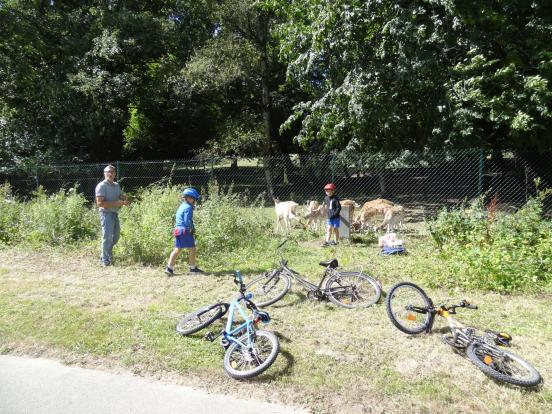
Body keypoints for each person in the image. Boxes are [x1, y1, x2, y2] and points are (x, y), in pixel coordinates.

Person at [165, 187, 205, 276]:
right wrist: (192, 228)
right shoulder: (188, 208)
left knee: (177, 249)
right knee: (192, 248)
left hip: (177, 229)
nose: (194, 201)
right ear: (189, 198)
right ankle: (193, 269)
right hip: (184, 230)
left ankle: (169, 268)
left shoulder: (182, 206)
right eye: (194, 199)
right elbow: (187, 221)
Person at [95, 165, 129, 266]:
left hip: (114, 213)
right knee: (107, 237)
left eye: (112, 172)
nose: (110, 173)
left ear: (115, 173)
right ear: (104, 173)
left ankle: (104, 255)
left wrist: (124, 197)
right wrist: (117, 203)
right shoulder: (101, 186)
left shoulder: (116, 185)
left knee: (116, 237)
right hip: (105, 214)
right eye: (108, 172)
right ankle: (105, 260)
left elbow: (119, 195)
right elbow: (99, 204)